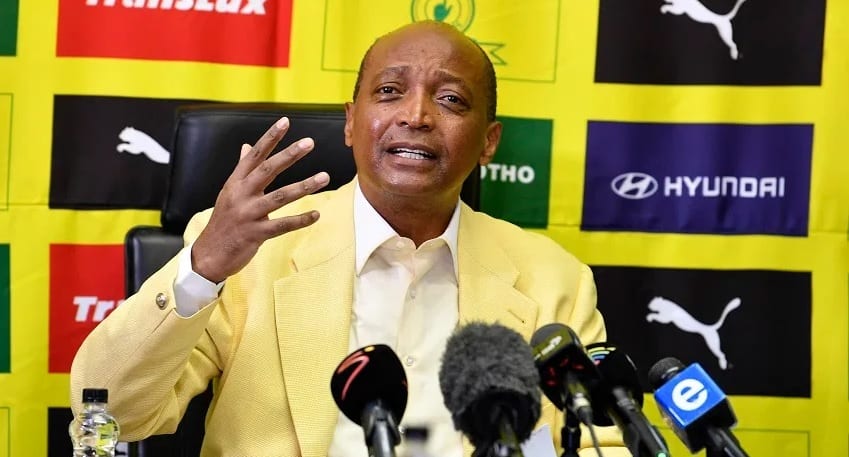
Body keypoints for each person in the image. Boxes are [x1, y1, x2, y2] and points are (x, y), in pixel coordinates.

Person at [70, 20, 628, 457]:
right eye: (389, 91)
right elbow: (112, 413)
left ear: (488, 142)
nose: (416, 115)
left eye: (451, 100)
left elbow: (600, 444)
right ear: (350, 122)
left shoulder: (553, 280)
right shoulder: (252, 255)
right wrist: (204, 269)